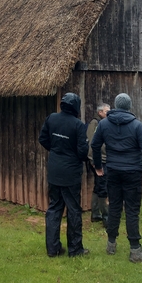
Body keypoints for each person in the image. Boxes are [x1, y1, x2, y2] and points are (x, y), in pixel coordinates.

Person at [91, 93, 142, 263]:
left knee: (114, 206)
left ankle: (111, 244)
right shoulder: (136, 125)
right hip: (132, 172)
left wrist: (98, 166)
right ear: (129, 106)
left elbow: (95, 145)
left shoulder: (104, 124)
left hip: (113, 170)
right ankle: (135, 250)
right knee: (132, 210)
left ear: (115, 105)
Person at [39, 92, 90, 257]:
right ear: (75, 106)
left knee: (54, 208)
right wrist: (71, 154)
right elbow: (83, 152)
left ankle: (52, 249)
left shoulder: (51, 118)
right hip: (71, 173)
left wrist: (56, 150)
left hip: (54, 170)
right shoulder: (78, 125)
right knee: (74, 209)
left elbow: (43, 139)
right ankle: (75, 249)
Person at [86, 103, 110, 226]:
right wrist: (93, 161)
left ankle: (95, 214)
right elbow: (91, 143)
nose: (109, 113)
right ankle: (106, 217)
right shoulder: (95, 123)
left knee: (98, 186)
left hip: (104, 160)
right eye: (106, 111)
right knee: (103, 188)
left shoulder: (105, 123)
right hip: (99, 161)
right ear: (100, 112)